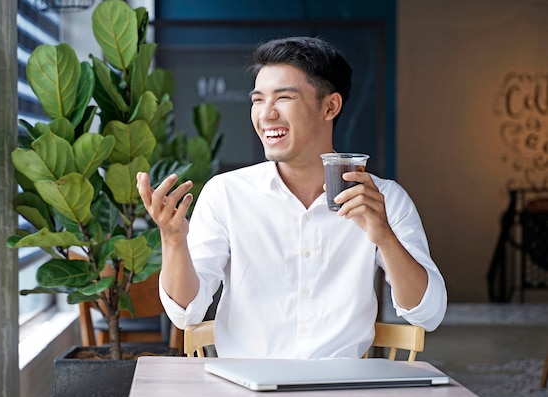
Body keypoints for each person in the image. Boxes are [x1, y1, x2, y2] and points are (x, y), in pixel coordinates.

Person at [137, 36, 447, 359]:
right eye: (258, 100)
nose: (266, 114)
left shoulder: (383, 200)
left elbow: (429, 313)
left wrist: (384, 235)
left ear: (330, 106)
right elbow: (186, 313)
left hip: (340, 395)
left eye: (283, 98)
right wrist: (173, 240)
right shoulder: (226, 194)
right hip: (245, 393)